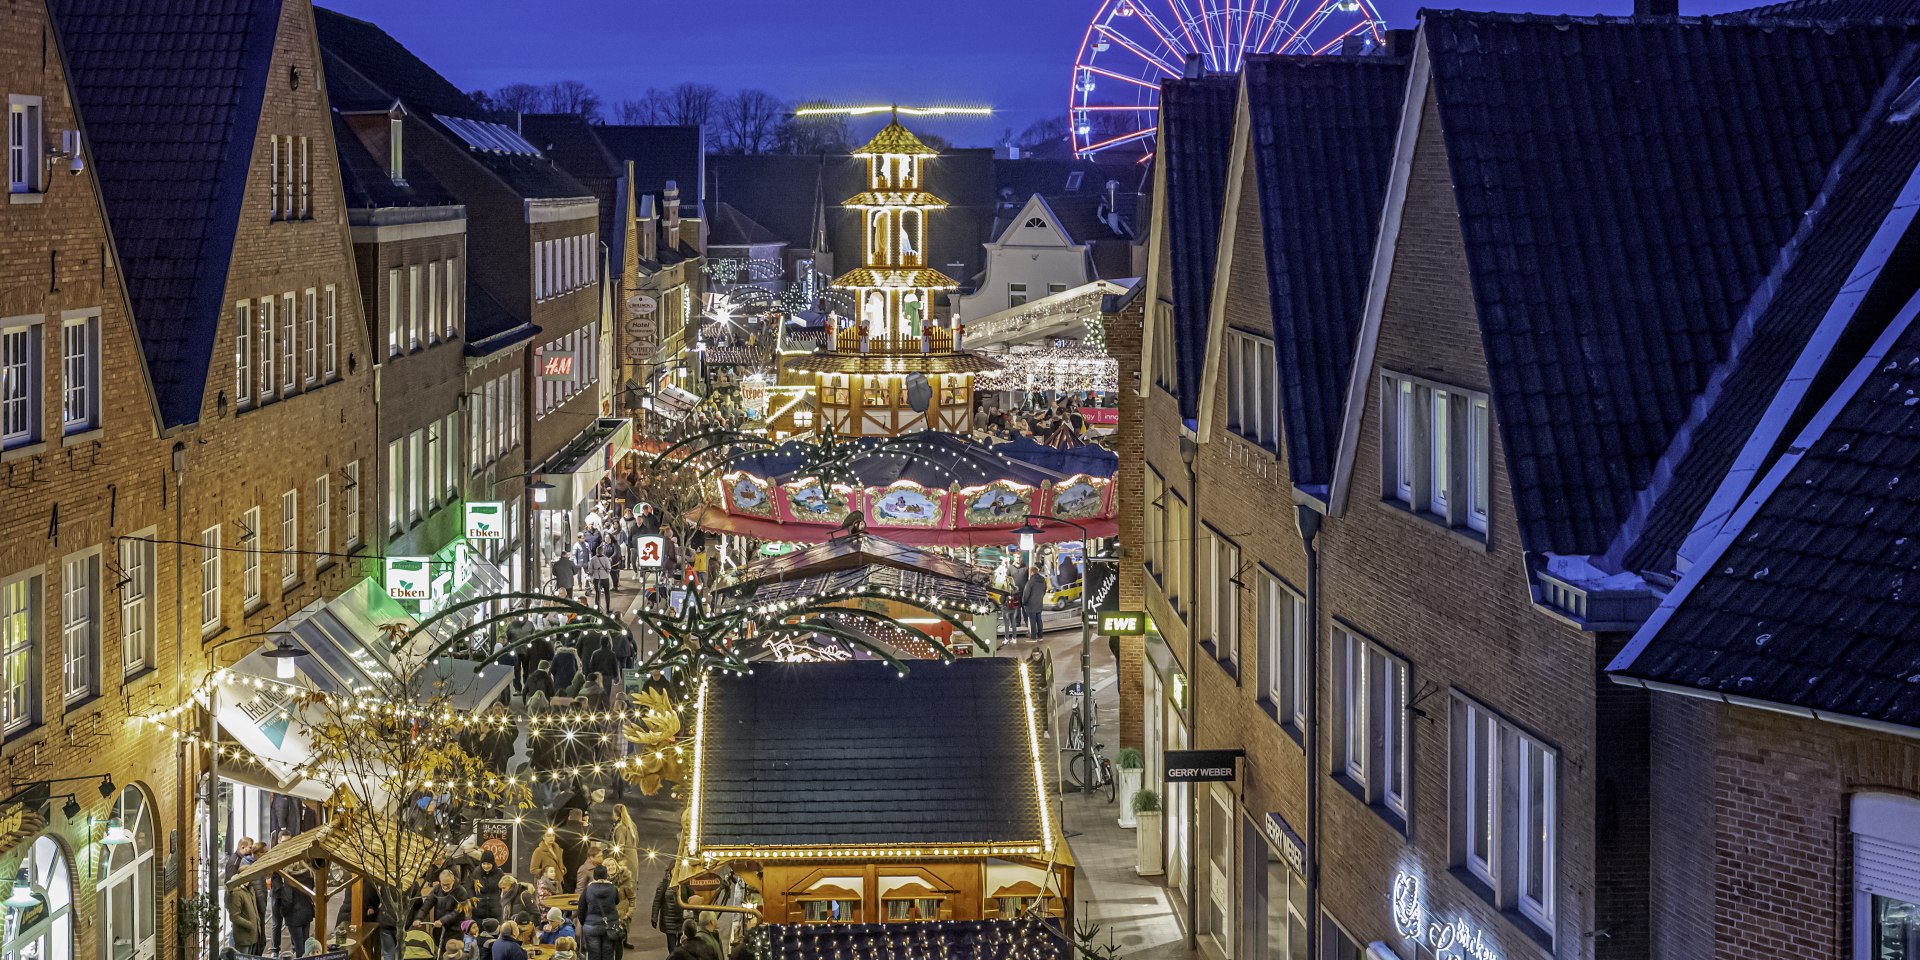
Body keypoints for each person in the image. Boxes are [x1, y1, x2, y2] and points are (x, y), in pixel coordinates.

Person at [577, 864, 621, 960]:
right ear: (606, 875)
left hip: (591, 926)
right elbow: (617, 901)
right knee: (608, 954)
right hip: (609, 926)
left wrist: (584, 923)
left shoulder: (588, 889)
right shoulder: (613, 889)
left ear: (594, 876)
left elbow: (581, 909)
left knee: (593, 955)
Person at [651, 872, 685, 952]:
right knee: (672, 948)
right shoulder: (664, 884)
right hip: (668, 921)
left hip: (682, 920)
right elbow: (657, 902)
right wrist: (654, 918)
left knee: (682, 947)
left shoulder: (685, 883)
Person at [230, 880, 265, 955]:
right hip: (244, 938)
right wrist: (250, 925)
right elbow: (234, 916)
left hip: (253, 936)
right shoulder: (237, 893)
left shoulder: (250, 890)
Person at [1018, 561, 1047, 640]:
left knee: (1032, 621)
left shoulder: (1030, 582)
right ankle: (1040, 636)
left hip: (1031, 605)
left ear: (1031, 572)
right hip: (1039, 603)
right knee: (1039, 620)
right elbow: (1044, 591)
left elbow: (1026, 594)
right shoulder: (1043, 581)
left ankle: (1033, 637)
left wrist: (1024, 602)